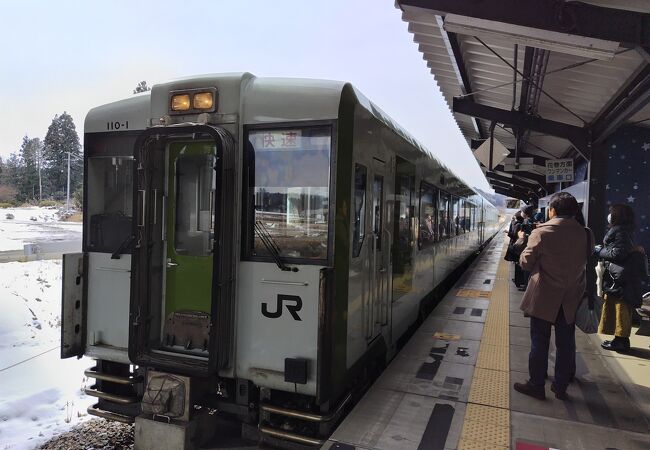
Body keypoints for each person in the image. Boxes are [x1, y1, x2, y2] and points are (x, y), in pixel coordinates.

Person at [513, 192, 592, 401]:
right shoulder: (585, 234)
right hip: (571, 297)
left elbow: (525, 264)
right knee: (566, 344)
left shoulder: (542, 232)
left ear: (553, 211)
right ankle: (561, 386)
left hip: (543, 297)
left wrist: (522, 242)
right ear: (575, 211)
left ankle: (536, 385)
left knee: (540, 341)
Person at [594, 204, 646, 352]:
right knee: (618, 308)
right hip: (621, 277)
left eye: (611, 213)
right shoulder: (626, 230)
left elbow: (618, 253)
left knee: (620, 308)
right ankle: (619, 340)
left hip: (619, 278)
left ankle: (621, 342)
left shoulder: (620, 231)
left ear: (617, 216)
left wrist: (599, 250)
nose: (609, 215)